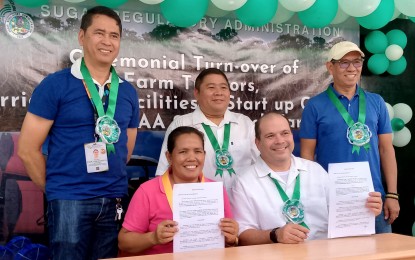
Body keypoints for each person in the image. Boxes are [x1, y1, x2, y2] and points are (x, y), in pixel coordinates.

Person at [18, 6, 139, 260]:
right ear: (82, 37)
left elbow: (125, 150)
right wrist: (57, 191)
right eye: (99, 33)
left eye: (114, 35)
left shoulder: (127, 92)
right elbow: (28, 150)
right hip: (69, 201)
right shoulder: (55, 84)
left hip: (113, 200)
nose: (107, 41)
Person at [230, 112, 382, 245]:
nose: (280, 140)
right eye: (270, 136)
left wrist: (364, 211)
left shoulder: (315, 170)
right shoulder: (244, 182)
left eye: (285, 133)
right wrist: (275, 234)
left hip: (325, 253)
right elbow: (243, 235)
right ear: (257, 143)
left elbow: (341, 214)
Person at [299, 41, 399, 233]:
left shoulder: (376, 102)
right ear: (330, 67)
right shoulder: (314, 106)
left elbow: (387, 149)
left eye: (357, 61)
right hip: (331, 199)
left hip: (374, 199)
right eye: (344, 62)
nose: (352, 68)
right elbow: (307, 157)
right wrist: (312, 198)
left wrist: (392, 195)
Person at [118, 126, 239, 255]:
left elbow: (229, 244)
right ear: (169, 157)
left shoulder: (216, 190)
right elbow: (124, 242)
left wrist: (232, 239)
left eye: (198, 151)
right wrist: (153, 238)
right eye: (183, 152)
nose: (192, 158)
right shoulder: (147, 191)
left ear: (204, 155)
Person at [155, 68, 258, 191]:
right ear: (197, 93)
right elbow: (163, 173)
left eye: (223, 87)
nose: (218, 92)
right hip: (200, 204)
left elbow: (262, 164)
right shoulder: (181, 124)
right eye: (211, 87)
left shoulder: (245, 123)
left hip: (241, 204)